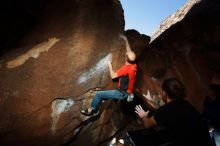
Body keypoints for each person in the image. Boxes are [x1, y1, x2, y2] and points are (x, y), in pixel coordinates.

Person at [134, 77, 213, 146]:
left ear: (164, 93)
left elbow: (147, 125)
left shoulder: (165, 111)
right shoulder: (186, 104)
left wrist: (144, 115)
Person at [80, 35, 137, 116]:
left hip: (121, 93)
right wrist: (126, 39)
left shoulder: (125, 69)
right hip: (127, 91)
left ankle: (91, 110)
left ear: (126, 58)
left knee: (98, 95)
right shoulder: (134, 65)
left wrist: (109, 64)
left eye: (127, 53)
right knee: (106, 95)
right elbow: (129, 50)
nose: (127, 52)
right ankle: (102, 103)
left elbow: (113, 76)